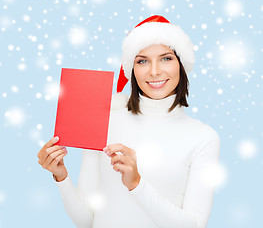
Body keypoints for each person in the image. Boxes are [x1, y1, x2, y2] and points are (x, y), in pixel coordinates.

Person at [37, 15, 220, 228]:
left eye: (166, 58)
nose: (154, 71)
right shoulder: (106, 120)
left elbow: (194, 225)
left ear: (181, 63)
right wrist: (62, 177)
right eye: (142, 60)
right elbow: (87, 222)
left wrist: (136, 184)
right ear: (132, 68)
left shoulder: (203, 137)